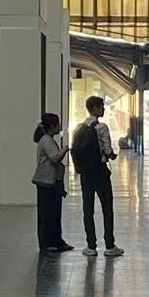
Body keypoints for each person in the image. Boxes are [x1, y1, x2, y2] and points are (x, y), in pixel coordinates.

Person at [72, 94, 124, 258]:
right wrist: (111, 155)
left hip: (86, 173)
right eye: (101, 106)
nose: (103, 109)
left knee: (88, 209)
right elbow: (107, 150)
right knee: (107, 208)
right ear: (94, 108)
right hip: (100, 172)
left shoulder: (79, 127)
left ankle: (91, 246)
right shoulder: (101, 127)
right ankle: (109, 245)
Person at [32, 113, 74, 254]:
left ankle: (56, 241)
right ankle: (47, 242)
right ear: (52, 126)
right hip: (46, 182)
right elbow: (55, 158)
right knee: (47, 214)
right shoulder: (47, 141)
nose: (60, 127)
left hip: (51, 182)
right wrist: (65, 149)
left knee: (54, 213)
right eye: (58, 124)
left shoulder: (48, 140)